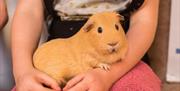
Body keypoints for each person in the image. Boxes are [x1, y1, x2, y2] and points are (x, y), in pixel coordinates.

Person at [11, 0, 161, 91]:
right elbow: (28, 11)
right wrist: (23, 72)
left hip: (124, 58)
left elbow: (144, 21)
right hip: (61, 53)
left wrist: (109, 75)